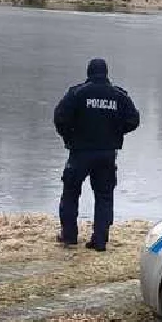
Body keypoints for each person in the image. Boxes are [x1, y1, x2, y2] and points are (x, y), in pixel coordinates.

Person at [53, 58, 140, 251]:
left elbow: (60, 117)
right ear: (106, 73)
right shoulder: (119, 95)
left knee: (70, 192)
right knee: (104, 196)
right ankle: (100, 241)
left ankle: (69, 236)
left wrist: (69, 136)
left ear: (88, 73)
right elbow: (133, 120)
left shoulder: (77, 93)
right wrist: (116, 132)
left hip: (80, 152)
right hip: (107, 154)